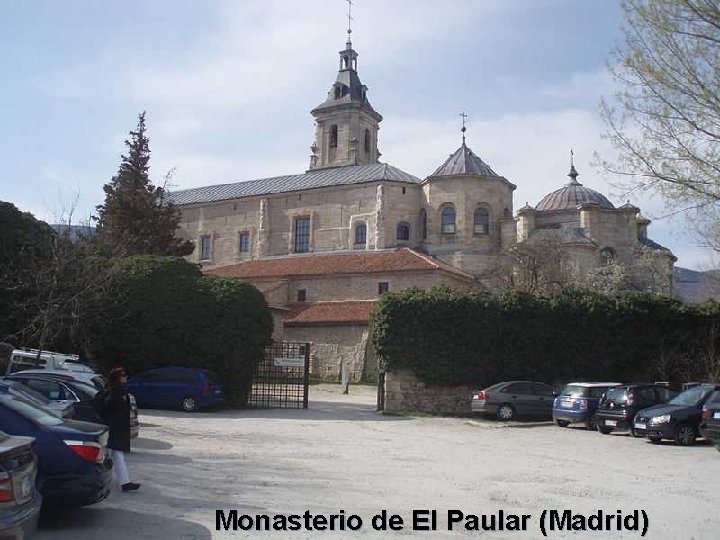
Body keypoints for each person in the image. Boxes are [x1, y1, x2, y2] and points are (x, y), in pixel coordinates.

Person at [104, 367, 140, 492]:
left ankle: (124, 482)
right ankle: (121, 482)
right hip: (113, 428)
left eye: (125, 374)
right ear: (117, 377)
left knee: (116, 455)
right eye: (123, 375)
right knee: (109, 455)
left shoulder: (119, 390)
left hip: (117, 428)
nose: (125, 377)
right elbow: (108, 407)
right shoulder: (115, 391)